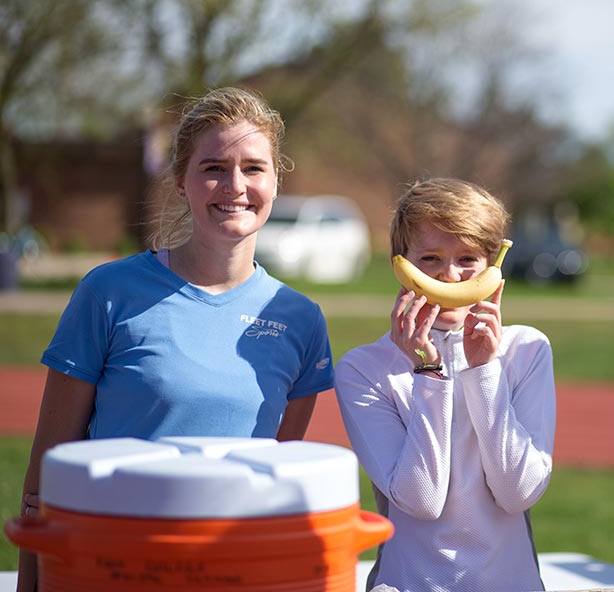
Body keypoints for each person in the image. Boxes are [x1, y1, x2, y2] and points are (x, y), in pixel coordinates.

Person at [16, 87, 335, 591]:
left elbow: (277, 477)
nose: (234, 185)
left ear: (275, 181)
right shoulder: (108, 291)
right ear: (182, 182)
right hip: (111, 568)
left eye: (253, 168)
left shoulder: (300, 319)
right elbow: (46, 476)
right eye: (213, 167)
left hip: (238, 573)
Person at [335, 178, 556, 592]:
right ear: (401, 264)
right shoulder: (362, 369)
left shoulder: (527, 349)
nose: (450, 276)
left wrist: (484, 371)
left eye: (468, 258)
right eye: (431, 258)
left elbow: (518, 492)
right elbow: (422, 499)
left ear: (493, 267)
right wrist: (429, 371)